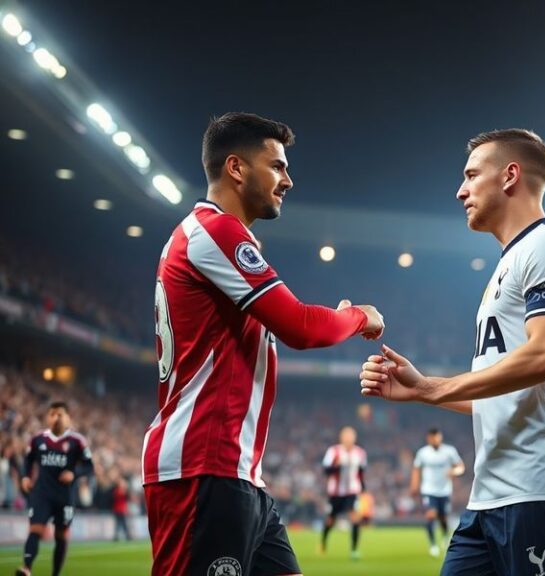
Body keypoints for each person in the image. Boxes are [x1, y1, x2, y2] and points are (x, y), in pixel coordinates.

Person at [142, 112, 384, 576]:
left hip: (236, 473)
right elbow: (300, 326)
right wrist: (359, 316)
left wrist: (336, 317)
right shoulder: (214, 231)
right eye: (277, 166)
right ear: (236, 168)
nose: (288, 180)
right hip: (202, 466)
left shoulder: (212, 237)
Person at [360, 128, 545, 576]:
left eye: (471, 175)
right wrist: (420, 393)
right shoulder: (507, 264)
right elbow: (504, 396)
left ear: (510, 176)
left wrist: (435, 386)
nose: (460, 190)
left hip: (543, 491)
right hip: (490, 496)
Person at [16, 401, 93, 576]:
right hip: (42, 493)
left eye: (60, 414)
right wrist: (26, 476)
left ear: (68, 418)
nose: (56, 418)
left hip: (64, 496)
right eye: (52, 414)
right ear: (47, 418)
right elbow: (28, 460)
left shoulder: (77, 441)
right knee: (35, 529)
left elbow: (89, 466)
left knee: (61, 536)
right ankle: (26, 568)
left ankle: (55, 574)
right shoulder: (37, 439)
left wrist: (74, 473)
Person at [411, 428, 465, 557]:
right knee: (430, 515)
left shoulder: (449, 451)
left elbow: (460, 466)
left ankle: (445, 536)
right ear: (428, 438)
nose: (435, 439)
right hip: (428, 490)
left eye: (437, 437)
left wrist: (454, 471)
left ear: (440, 437)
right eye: (433, 437)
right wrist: (414, 485)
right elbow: (416, 469)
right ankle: (433, 545)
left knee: (443, 518)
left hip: (444, 490)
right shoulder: (423, 453)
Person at [320, 426, 367, 559]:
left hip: (352, 491)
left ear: (354, 437)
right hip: (335, 493)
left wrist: (363, 489)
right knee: (331, 520)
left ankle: (354, 550)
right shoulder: (333, 451)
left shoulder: (360, 453)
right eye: (346, 436)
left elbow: (361, 473)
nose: (348, 438)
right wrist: (337, 466)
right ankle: (323, 542)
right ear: (341, 437)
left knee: (355, 518)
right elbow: (326, 471)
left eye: (351, 436)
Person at [112, 476, 133, 541]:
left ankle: (124, 535)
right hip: (119, 509)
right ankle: (122, 536)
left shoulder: (119, 490)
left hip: (121, 509)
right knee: (120, 523)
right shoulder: (118, 490)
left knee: (121, 523)